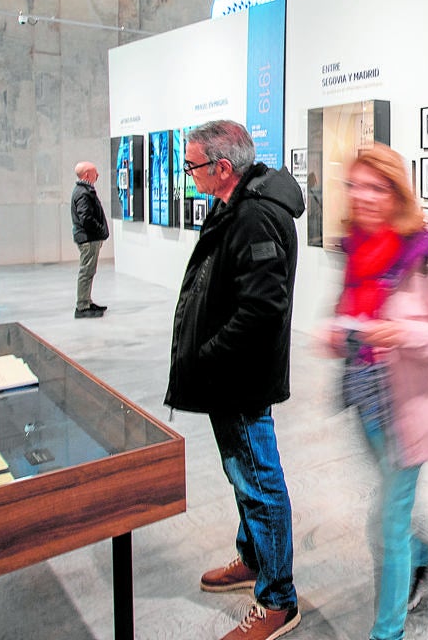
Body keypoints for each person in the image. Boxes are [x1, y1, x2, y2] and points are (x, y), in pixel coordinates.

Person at [320, 143, 428, 640]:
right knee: (397, 508)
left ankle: (387, 631)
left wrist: (401, 334)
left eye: (376, 187)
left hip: (410, 406)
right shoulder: (356, 248)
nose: (362, 197)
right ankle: (424, 561)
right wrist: (338, 334)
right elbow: (349, 316)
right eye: (355, 186)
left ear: (397, 192)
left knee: (386, 524)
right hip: (365, 398)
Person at [166, 120, 305, 640]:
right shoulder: (233, 207)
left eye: (193, 166)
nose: (189, 174)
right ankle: (252, 559)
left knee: (259, 482)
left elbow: (263, 309)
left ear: (223, 168)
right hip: (227, 377)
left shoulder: (254, 217)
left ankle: (277, 599)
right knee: (243, 475)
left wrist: (209, 355)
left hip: (239, 380)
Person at [70, 161, 109, 318]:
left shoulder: (83, 191)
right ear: (87, 175)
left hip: (89, 238)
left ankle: (86, 301)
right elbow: (86, 218)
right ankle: (82, 306)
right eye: (95, 172)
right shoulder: (83, 193)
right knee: (86, 271)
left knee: (88, 271)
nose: (97, 175)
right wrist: (100, 230)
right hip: (88, 238)